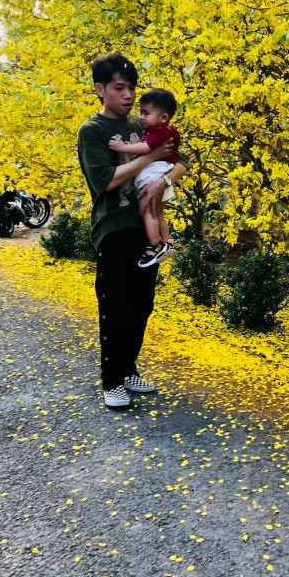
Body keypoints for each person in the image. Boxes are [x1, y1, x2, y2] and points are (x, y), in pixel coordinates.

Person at [76, 53, 188, 409]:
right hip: (113, 227)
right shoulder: (93, 131)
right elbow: (105, 181)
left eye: (132, 88)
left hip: (145, 229)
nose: (128, 96)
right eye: (119, 88)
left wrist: (164, 180)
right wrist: (147, 160)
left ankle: (127, 370)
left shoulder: (144, 126)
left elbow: (180, 160)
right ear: (100, 89)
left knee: (142, 305)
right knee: (115, 306)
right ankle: (111, 381)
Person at [108, 88, 181, 268]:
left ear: (163, 117)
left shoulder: (161, 132)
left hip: (154, 179)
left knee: (147, 213)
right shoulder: (156, 128)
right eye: (141, 113)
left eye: (146, 113)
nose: (141, 117)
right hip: (156, 177)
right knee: (156, 214)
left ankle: (152, 247)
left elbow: (145, 148)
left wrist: (121, 147)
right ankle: (165, 242)